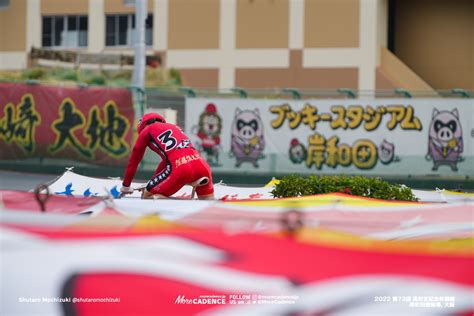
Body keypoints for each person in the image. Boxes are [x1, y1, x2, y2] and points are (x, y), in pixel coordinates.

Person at [120, 113, 215, 200]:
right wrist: (152, 182)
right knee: (208, 203)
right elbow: (168, 160)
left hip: (180, 167)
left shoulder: (147, 130)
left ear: (143, 126)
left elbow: (134, 162)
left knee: (147, 196)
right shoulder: (175, 127)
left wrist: (126, 186)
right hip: (201, 164)